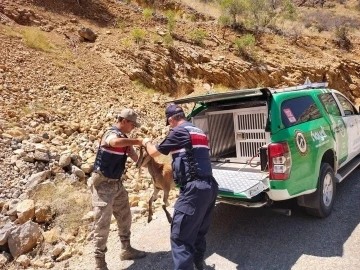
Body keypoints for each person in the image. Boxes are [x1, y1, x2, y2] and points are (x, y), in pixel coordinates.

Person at [142, 104, 219, 270]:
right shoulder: (198, 131)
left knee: (180, 238)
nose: (169, 126)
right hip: (210, 187)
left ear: (171, 119)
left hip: (194, 189)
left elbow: (154, 152)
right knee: (198, 231)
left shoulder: (179, 131)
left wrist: (145, 141)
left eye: (169, 123)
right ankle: (199, 265)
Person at [88, 108, 146, 270]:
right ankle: (100, 264)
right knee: (102, 225)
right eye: (132, 124)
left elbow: (136, 158)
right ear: (124, 121)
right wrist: (138, 141)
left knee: (125, 217)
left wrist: (149, 154)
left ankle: (126, 249)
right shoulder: (110, 133)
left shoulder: (125, 140)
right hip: (103, 186)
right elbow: (113, 143)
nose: (133, 127)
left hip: (117, 185)